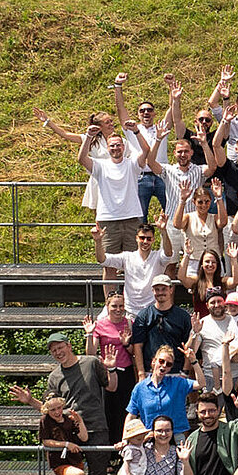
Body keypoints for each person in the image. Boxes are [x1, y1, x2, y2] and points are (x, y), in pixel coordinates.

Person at [8, 332, 119, 475]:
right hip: (66, 434)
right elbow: (49, 409)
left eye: (60, 347)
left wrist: (111, 367)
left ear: (69, 345)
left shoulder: (91, 363)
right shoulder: (54, 377)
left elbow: (112, 387)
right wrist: (30, 401)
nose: (58, 352)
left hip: (95, 428)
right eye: (53, 350)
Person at [79, 115, 160, 289]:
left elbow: (146, 151)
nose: (115, 148)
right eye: (112, 145)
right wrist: (88, 137)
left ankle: (132, 301)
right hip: (108, 220)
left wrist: (136, 131)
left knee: (134, 264)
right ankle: (110, 304)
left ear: (124, 147)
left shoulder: (132, 164)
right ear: (107, 148)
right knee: (109, 266)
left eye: (118, 145)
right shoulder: (100, 165)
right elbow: (82, 159)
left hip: (132, 219)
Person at [93, 222, 173, 317]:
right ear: (136, 238)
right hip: (131, 312)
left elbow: (168, 253)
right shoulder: (127, 257)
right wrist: (98, 241)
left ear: (153, 240)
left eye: (149, 239)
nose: (145, 241)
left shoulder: (158, 257)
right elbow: (102, 260)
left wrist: (163, 231)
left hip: (153, 311)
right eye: (142, 238)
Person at [86, 294, 138, 430]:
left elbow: (134, 352)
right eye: (114, 306)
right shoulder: (100, 325)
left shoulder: (129, 323)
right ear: (107, 306)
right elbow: (90, 353)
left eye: (121, 306)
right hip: (108, 373)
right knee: (108, 412)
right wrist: (89, 334)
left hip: (126, 373)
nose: (118, 309)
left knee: (126, 412)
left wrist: (126, 344)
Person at [126, 345, 198, 440]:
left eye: (168, 364)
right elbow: (131, 415)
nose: (164, 365)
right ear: (153, 361)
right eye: (161, 361)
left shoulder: (177, 383)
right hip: (151, 437)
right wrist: (125, 439)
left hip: (177, 435)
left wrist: (194, 361)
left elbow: (201, 383)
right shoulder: (140, 388)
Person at [131, 275, 193, 378]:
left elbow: (188, 346)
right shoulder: (143, 315)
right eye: (157, 289)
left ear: (171, 289)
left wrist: (185, 372)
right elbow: (138, 346)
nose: (160, 292)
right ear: (153, 291)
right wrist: (141, 373)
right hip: (150, 372)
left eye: (164, 289)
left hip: (176, 372)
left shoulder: (183, 316)